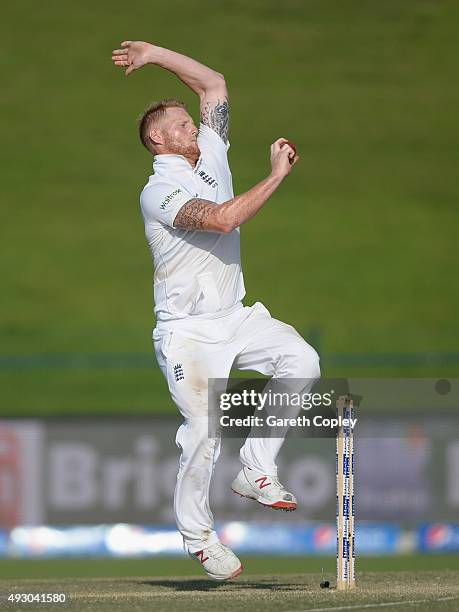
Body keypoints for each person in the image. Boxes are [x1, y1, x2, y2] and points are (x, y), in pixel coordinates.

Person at [111, 40, 320, 581]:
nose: (194, 129)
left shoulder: (211, 153)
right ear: (157, 138)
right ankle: (198, 537)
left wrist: (155, 54)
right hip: (188, 332)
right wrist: (275, 176)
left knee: (302, 361)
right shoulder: (159, 190)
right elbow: (223, 219)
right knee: (203, 429)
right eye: (181, 125)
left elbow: (214, 85)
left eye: (191, 122)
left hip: (235, 315)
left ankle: (256, 471)